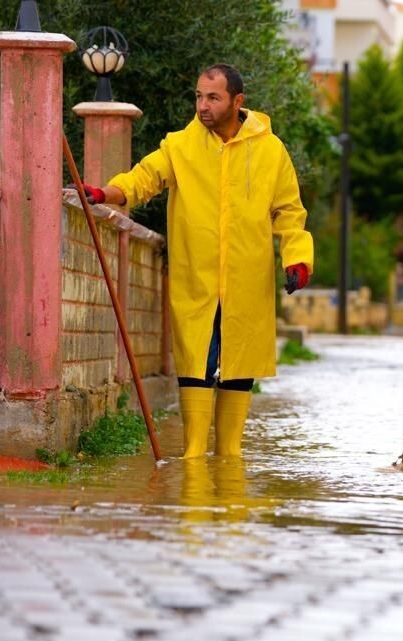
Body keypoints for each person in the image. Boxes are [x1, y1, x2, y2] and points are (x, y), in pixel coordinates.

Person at [78, 63, 313, 459]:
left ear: (238, 102)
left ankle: (230, 455)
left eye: (213, 97)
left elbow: (290, 212)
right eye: (199, 96)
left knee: (240, 362)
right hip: (195, 275)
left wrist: (298, 259)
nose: (203, 106)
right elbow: (144, 177)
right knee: (196, 359)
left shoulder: (271, 151)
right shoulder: (180, 145)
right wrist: (107, 193)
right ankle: (193, 454)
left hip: (247, 276)